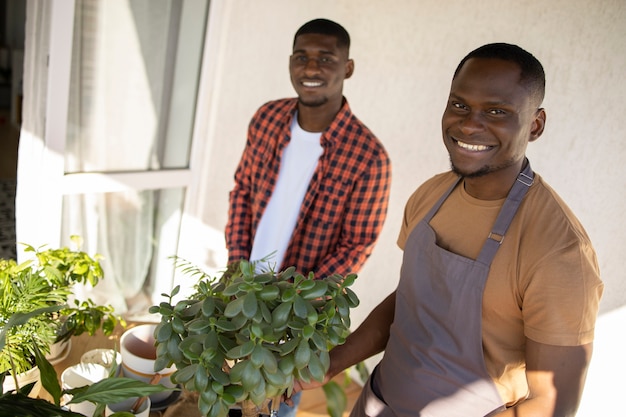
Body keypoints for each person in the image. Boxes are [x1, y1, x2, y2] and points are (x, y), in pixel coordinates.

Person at [293, 43, 604, 417]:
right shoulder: (431, 195)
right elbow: (408, 302)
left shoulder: (559, 251)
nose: (470, 124)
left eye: (496, 111)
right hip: (378, 404)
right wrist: (330, 364)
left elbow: (551, 405)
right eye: (459, 105)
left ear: (535, 124)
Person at [225, 18, 392, 416]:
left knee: (274, 403)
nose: (311, 68)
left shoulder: (370, 157)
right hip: (242, 285)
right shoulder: (266, 118)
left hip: (297, 311)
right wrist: (235, 265)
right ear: (290, 63)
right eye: (302, 57)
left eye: (325, 58)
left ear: (347, 68)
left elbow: (357, 245)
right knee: (228, 386)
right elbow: (242, 191)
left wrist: (293, 299)